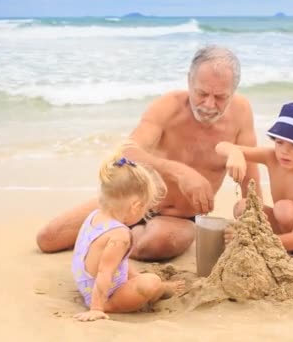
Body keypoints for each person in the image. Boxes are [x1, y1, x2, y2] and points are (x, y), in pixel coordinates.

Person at [37, 45, 262, 261]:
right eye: (202, 93)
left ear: (233, 92)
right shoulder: (168, 106)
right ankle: (116, 233)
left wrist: (248, 223)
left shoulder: (241, 115)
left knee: (156, 243)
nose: (209, 104)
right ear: (189, 81)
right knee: (48, 239)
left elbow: (251, 188)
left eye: (221, 97)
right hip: (132, 199)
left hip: (178, 219)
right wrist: (178, 171)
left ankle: (110, 238)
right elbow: (125, 153)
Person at [215, 102, 293, 287]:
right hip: (287, 230)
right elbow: (220, 146)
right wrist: (234, 153)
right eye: (279, 142)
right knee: (243, 207)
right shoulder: (272, 156)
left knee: (285, 209)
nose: (284, 151)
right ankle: (281, 255)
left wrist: (251, 241)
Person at [72, 151, 184, 322]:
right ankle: (158, 291)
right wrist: (96, 308)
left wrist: (134, 276)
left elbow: (112, 261)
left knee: (127, 269)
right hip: (104, 295)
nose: (146, 213)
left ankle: (155, 286)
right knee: (151, 282)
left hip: (85, 284)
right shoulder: (120, 235)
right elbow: (104, 273)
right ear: (135, 207)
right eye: (146, 209)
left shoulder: (95, 215)